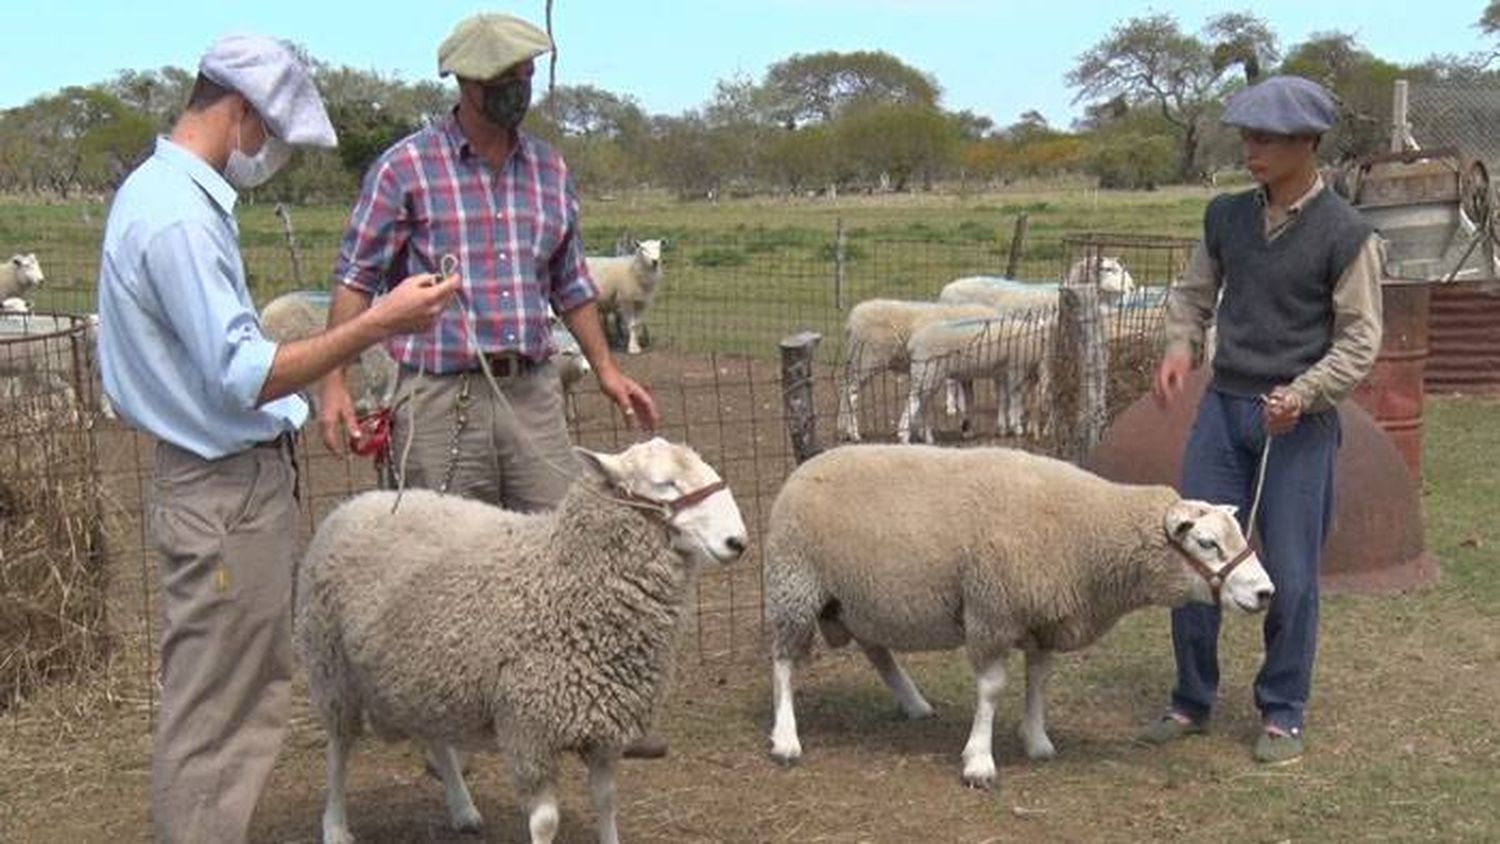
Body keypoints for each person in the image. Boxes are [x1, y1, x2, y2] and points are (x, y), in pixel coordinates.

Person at [95, 33, 460, 842]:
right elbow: (245, 375)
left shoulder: (162, 197)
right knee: (222, 708)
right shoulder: (178, 222)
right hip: (223, 493)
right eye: (272, 134)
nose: (270, 155)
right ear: (241, 112)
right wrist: (377, 323)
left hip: (224, 482)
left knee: (231, 692)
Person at [317, 13, 665, 755]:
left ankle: (590, 707)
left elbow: (570, 281)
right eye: (507, 82)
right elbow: (355, 276)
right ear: (468, 85)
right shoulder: (406, 168)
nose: (521, 92)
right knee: (441, 558)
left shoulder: (548, 168)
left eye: (527, 79)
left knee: (567, 546)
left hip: (534, 387)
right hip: (441, 393)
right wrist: (333, 384)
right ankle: (444, 720)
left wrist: (604, 369)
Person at [1140, 75, 1384, 765]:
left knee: (1294, 572)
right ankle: (1190, 698)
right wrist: (1180, 345)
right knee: (1192, 551)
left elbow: (1361, 337)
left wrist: (1306, 394)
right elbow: (1192, 294)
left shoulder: (1347, 233)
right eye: (1246, 136)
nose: (1250, 150)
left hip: (1297, 421)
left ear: (1308, 143)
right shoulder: (1225, 217)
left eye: (1266, 139)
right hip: (1224, 408)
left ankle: (1282, 710)